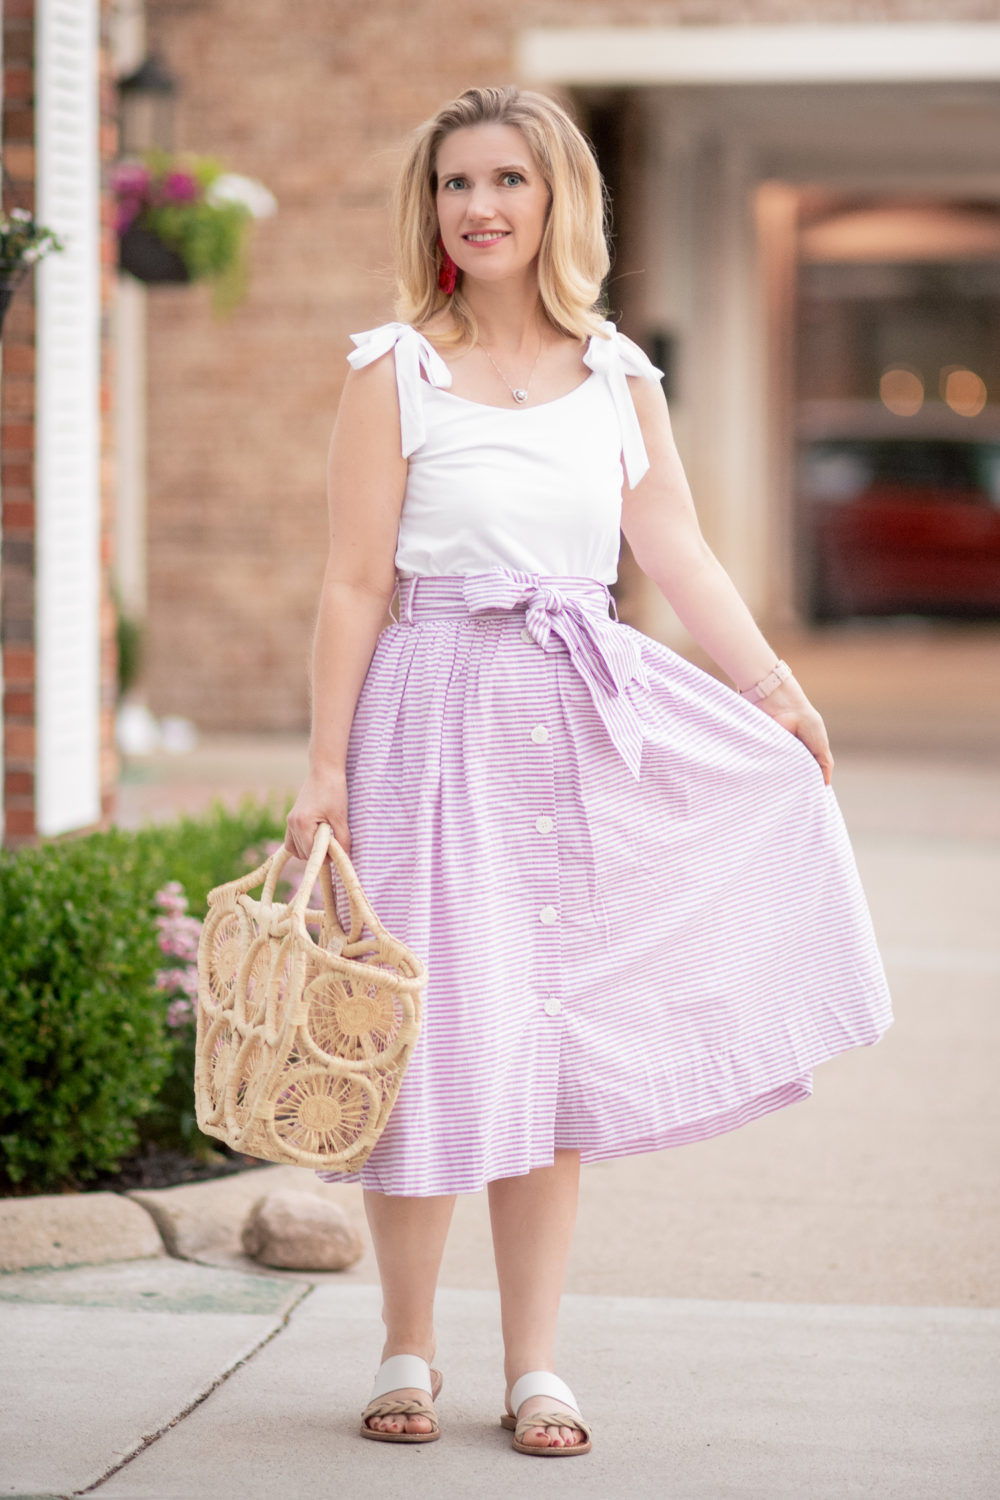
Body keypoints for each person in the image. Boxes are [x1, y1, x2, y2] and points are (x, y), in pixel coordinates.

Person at [284, 84, 893, 1457]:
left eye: (507, 180)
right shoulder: (394, 367)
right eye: (456, 185)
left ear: (556, 198)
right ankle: (406, 1346)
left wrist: (775, 693)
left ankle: (535, 1366)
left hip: (573, 713)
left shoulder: (618, 372)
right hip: (426, 712)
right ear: (430, 208)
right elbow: (349, 581)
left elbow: (672, 546)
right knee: (430, 1038)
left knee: (546, 1037)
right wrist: (323, 766)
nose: (481, 206)